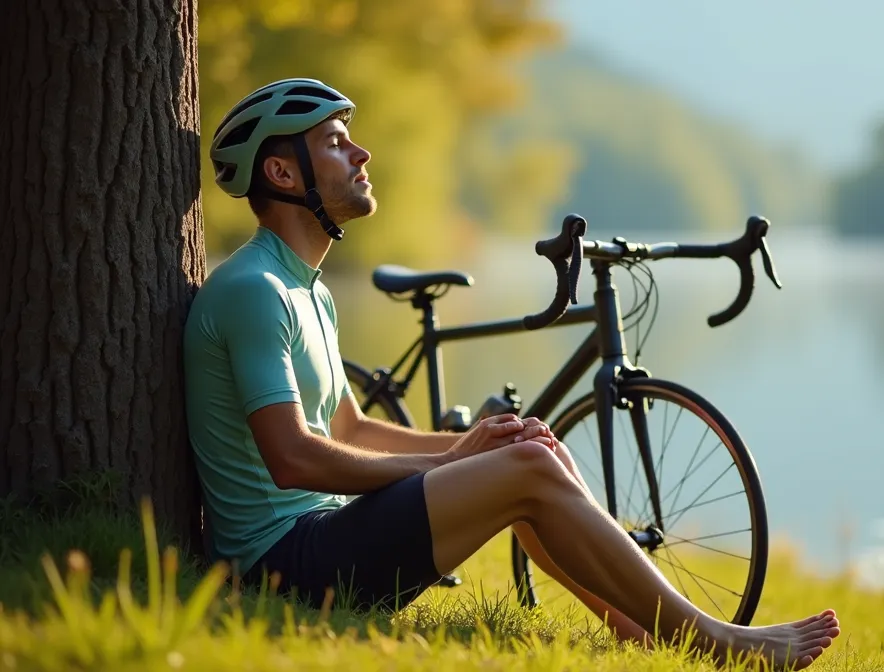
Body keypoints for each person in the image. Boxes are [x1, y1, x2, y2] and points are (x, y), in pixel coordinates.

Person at [184, 78, 840, 669]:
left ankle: (637, 628)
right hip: (284, 567)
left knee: (526, 451)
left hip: (321, 543)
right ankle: (718, 642)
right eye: (334, 143)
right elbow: (294, 460)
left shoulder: (308, 291)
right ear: (281, 170)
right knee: (521, 470)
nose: (361, 155)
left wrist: (476, 448)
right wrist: (450, 463)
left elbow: (350, 428)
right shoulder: (254, 289)